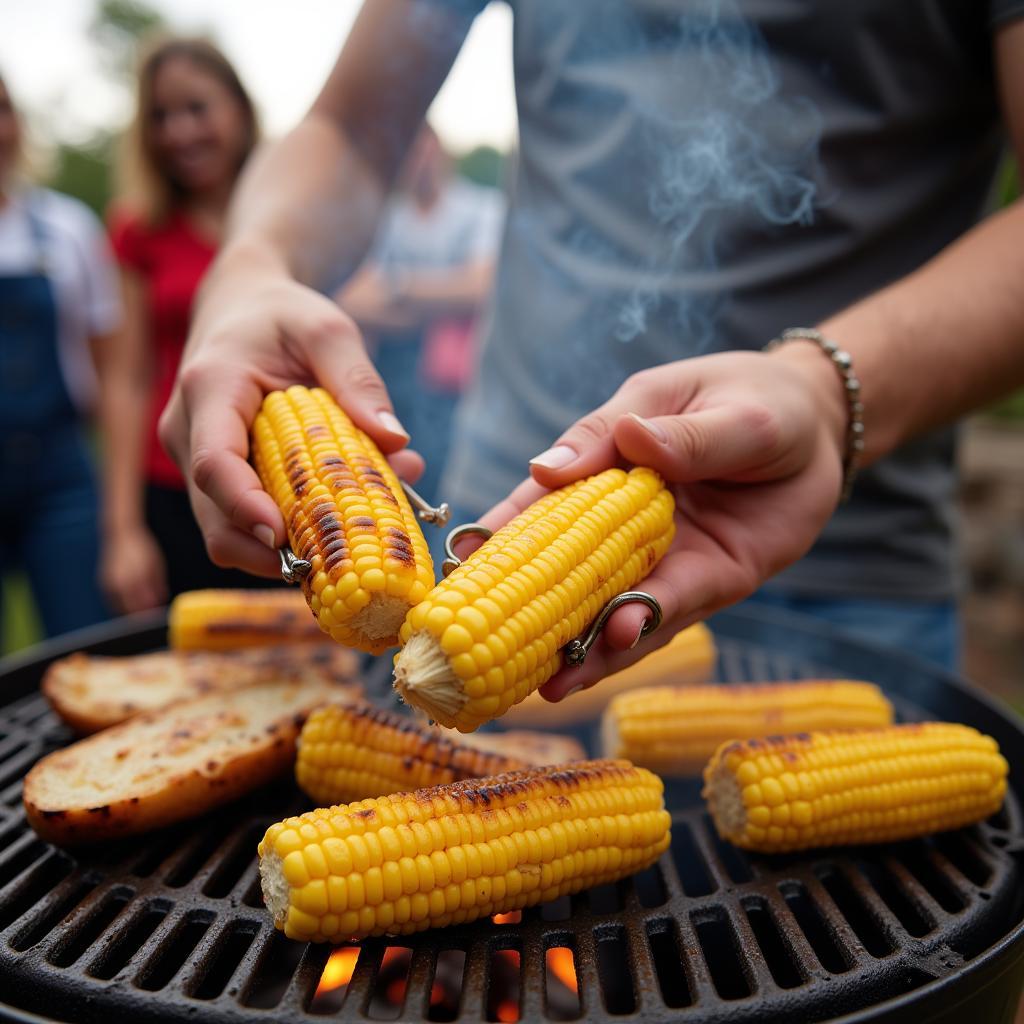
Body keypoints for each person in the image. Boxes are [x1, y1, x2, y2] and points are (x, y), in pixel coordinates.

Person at [159, 2, 1024, 699]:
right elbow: (350, 128)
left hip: (849, 566)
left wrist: (828, 389)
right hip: (502, 527)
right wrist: (250, 266)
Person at [101, 37, 264, 612]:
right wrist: (123, 530)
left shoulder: (284, 223)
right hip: (171, 485)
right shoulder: (137, 229)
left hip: (283, 481)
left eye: (196, 109)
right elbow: (126, 379)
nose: (178, 132)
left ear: (240, 111)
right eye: (161, 117)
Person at [0, 72, 120, 638]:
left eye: (3, 109)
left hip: (60, 474)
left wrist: (123, 523)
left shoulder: (68, 229)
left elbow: (113, 371)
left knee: (82, 641)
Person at [336, 124, 504, 506]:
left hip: (461, 382)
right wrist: (440, 299)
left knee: (452, 488)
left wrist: (396, 288)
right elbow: (352, 299)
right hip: (392, 378)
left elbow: (480, 289)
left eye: (421, 144)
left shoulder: (481, 207)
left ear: (439, 148)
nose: (416, 157)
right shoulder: (385, 216)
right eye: (406, 147)